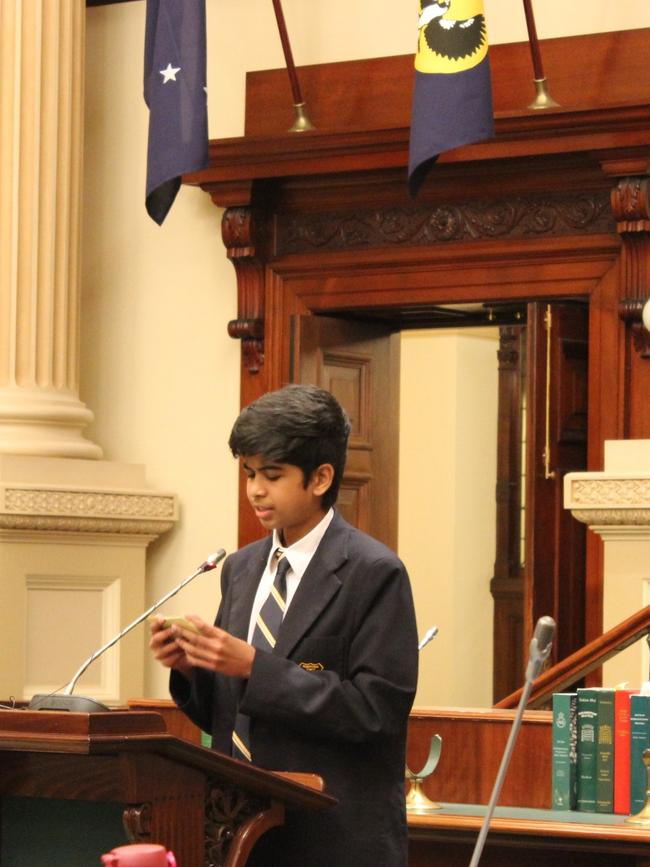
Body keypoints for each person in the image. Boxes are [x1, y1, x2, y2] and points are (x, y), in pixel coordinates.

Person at [149, 384, 419, 866]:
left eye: (272, 475)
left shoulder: (374, 572)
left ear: (320, 478)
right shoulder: (242, 568)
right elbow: (229, 717)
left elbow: (376, 711)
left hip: (333, 840)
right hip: (243, 833)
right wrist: (192, 668)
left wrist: (256, 666)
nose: (255, 489)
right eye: (249, 473)